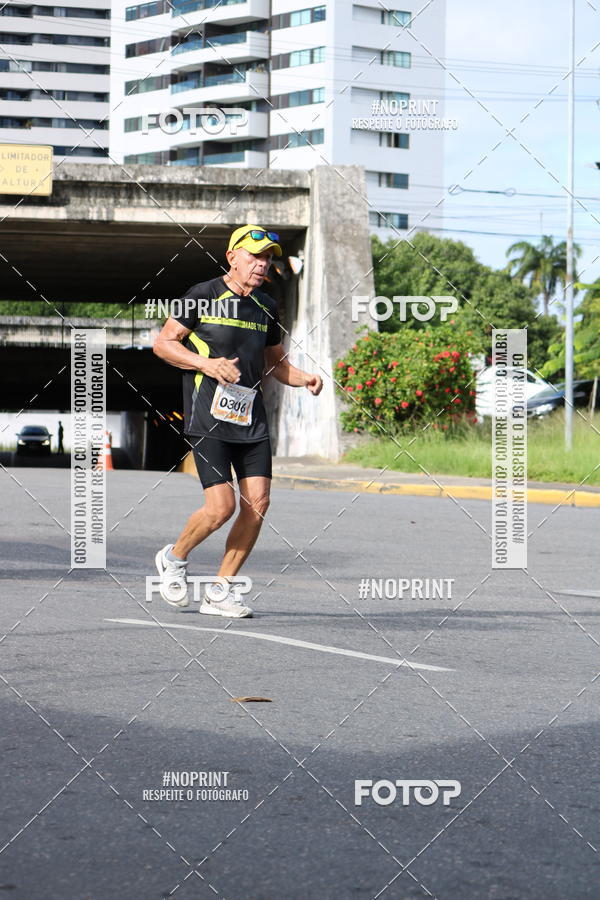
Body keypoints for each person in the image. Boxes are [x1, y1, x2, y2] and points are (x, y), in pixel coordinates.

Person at [152, 224, 323, 617]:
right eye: (254, 256)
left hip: (251, 419)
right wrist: (206, 364)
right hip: (207, 415)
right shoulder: (203, 295)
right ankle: (174, 559)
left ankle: (220, 590)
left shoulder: (266, 305)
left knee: (258, 504)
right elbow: (164, 343)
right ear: (232, 256)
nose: (261, 265)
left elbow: (276, 362)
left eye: (267, 259)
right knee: (221, 507)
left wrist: (305, 378)